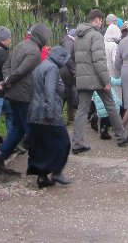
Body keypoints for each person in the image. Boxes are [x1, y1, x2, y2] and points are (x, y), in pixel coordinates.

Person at [71, 10, 128, 153]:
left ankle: (77, 143)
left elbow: (77, 59)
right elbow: (99, 60)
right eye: (100, 20)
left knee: (82, 110)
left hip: (83, 78)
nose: (101, 23)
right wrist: (106, 81)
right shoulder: (96, 35)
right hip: (96, 78)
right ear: (97, 20)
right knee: (111, 105)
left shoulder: (78, 37)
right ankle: (121, 135)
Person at [0, 24, 50, 162]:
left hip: (13, 94)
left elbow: (6, 66)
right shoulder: (34, 52)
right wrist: (7, 81)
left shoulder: (20, 45)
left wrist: (7, 80)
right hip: (25, 96)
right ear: (41, 37)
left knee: (18, 128)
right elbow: (21, 71)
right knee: (31, 129)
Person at [27, 45, 72, 188]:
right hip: (47, 114)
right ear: (60, 58)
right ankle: (57, 172)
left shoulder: (41, 66)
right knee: (64, 142)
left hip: (34, 113)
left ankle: (42, 177)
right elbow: (49, 91)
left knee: (42, 146)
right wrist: (50, 112)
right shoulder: (52, 68)